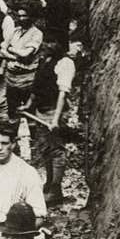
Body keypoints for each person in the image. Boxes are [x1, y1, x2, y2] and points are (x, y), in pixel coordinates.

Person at [27, 41, 76, 204]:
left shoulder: (66, 64)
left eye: (52, 42)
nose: (47, 45)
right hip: (41, 111)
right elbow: (36, 85)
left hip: (55, 111)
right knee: (45, 148)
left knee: (56, 149)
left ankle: (55, 190)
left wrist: (55, 119)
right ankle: (49, 184)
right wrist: (28, 104)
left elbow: (63, 93)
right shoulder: (45, 60)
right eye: (46, 42)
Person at [1, 6, 43, 120]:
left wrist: (11, 50)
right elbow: (1, 50)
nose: (21, 18)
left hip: (27, 78)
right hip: (11, 78)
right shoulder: (15, 31)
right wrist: (14, 57)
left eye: (24, 16)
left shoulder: (37, 33)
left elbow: (26, 54)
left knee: (28, 111)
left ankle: (30, 135)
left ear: (31, 17)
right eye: (19, 16)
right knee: (12, 110)